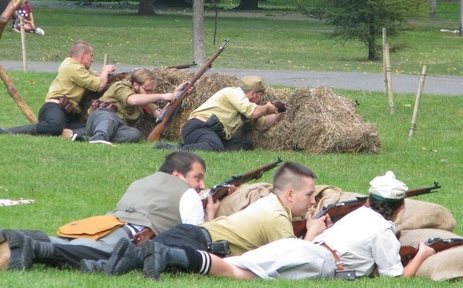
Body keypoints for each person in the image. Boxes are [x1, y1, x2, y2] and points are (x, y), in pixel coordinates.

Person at [0, 151, 215, 270]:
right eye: (197, 177)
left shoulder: (142, 181)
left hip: (101, 223)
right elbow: (196, 235)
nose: (202, 184)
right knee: (87, 252)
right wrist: (212, 214)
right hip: (128, 234)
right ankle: (21, 246)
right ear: (178, 174)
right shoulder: (188, 194)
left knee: (53, 239)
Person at [139, 171, 437, 281]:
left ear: (370, 201)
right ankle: (170, 257)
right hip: (319, 260)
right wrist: (422, 254)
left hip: (306, 248)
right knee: (238, 272)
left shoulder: (359, 214)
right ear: (400, 208)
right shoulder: (383, 229)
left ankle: (167, 257)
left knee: (234, 264)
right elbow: (395, 277)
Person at [96, 161, 327, 277]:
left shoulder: (268, 203)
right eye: (308, 195)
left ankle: (83, 261)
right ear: (289, 194)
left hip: (193, 235)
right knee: (140, 259)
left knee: (128, 261)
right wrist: (312, 234)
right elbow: (295, 260)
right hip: (196, 243)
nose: (312, 202)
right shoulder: (277, 216)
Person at [0, 40, 115, 136]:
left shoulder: (79, 68)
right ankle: (9, 131)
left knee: (90, 126)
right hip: (55, 107)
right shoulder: (72, 67)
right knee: (54, 126)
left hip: (69, 112)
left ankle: (68, 133)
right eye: (91, 56)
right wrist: (105, 71)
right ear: (83, 55)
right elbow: (100, 85)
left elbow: (97, 76)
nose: (92, 59)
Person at [153, 76, 284, 151]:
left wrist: (280, 112)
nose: (261, 99)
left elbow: (263, 123)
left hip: (213, 133)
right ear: (254, 93)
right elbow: (256, 113)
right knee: (214, 145)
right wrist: (266, 108)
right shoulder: (234, 93)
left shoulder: (247, 105)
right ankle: (175, 148)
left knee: (246, 145)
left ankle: (213, 148)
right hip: (198, 127)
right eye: (261, 95)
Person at [73, 68, 189, 145]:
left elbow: (160, 115)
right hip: (101, 117)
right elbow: (132, 100)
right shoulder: (120, 86)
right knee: (108, 117)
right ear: (135, 85)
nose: (149, 94)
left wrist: (177, 94)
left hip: (118, 126)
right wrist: (162, 96)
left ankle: (90, 139)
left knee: (134, 134)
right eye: (147, 90)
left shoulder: (143, 97)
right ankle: (99, 138)